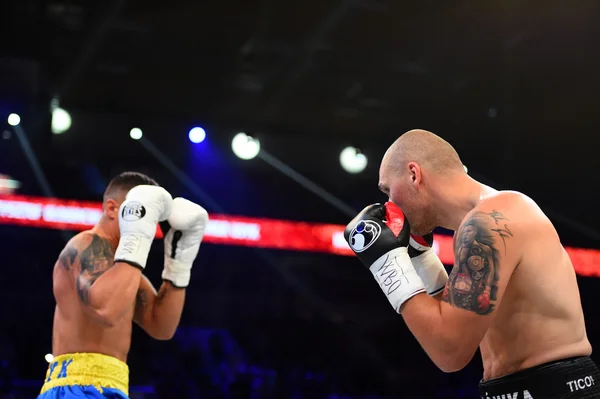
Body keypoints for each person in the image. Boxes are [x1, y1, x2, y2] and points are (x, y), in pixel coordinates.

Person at [344, 130, 600, 398]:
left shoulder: (490, 222)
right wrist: (421, 260)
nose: (389, 203)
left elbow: (449, 351)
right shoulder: (483, 222)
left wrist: (388, 265)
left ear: (413, 175)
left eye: (388, 189)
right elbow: (458, 320)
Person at [38, 172, 209, 399]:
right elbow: (105, 310)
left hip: (116, 386)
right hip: (74, 386)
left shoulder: (126, 269)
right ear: (112, 209)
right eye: (138, 213)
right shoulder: (83, 245)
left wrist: (178, 264)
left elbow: (162, 327)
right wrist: (134, 243)